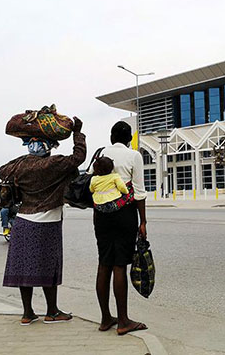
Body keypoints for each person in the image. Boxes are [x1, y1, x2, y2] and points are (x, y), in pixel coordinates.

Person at [0, 117, 85, 325]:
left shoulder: (18, 166)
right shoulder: (53, 164)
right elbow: (78, 157)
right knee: (49, 267)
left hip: (22, 221)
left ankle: (27, 313)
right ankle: (52, 311)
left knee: (23, 268)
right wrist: (77, 134)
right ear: (49, 147)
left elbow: (1, 170)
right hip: (47, 221)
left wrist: (25, 158)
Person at [92, 121, 147, 335]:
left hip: (101, 216)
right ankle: (123, 321)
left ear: (111, 136)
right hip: (124, 214)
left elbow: (93, 184)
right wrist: (143, 222)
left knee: (103, 263)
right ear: (128, 139)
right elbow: (139, 192)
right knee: (119, 265)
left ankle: (106, 319)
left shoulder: (99, 153)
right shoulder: (134, 156)